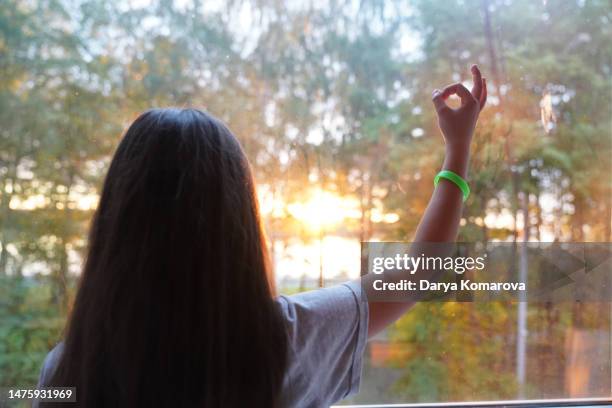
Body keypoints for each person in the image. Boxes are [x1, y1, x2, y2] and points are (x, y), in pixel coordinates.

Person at [36, 65, 486, 407]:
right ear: (238, 228)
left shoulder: (66, 372)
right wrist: (458, 150)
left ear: (115, 227)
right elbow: (420, 274)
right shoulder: (287, 341)